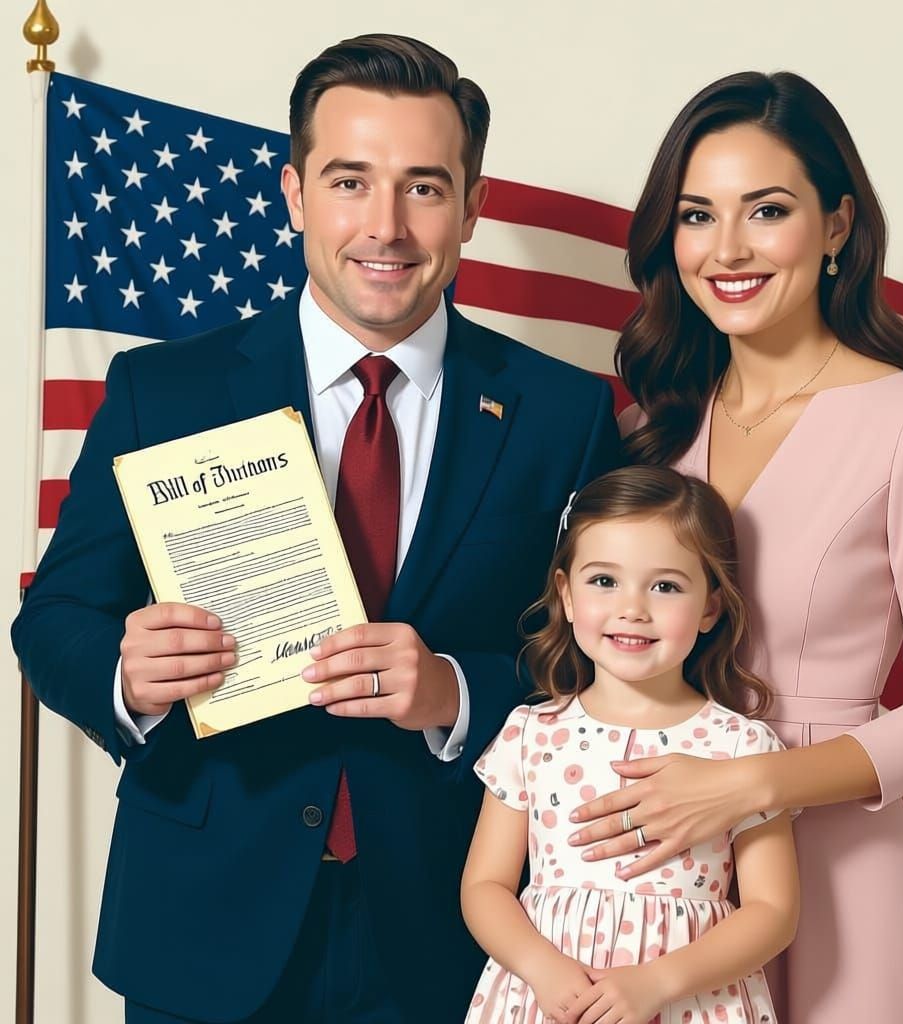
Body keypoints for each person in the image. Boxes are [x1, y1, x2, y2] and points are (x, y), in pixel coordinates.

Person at [11, 34, 622, 1024]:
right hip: (201, 925)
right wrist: (127, 675)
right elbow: (54, 619)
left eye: (424, 187)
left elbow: (610, 665)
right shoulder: (161, 390)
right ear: (295, 194)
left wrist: (455, 691)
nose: (385, 226)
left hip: (453, 924)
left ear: (471, 208)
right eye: (350, 181)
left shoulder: (563, 415)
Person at [566, 72, 903, 1023]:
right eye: (696, 215)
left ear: (838, 225)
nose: (726, 250)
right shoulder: (653, 431)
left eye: (766, 210)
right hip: (653, 887)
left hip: (844, 879)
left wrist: (750, 786)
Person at [462, 466, 799, 1024]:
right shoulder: (530, 732)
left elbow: (773, 910)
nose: (633, 608)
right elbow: (485, 884)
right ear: (566, 596)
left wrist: (657, 983)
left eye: (665, 586)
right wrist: (545, 971)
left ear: (711, 607)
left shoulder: (742, 744)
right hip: (549, 1000)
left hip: (690, 1002)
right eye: (603, 581)